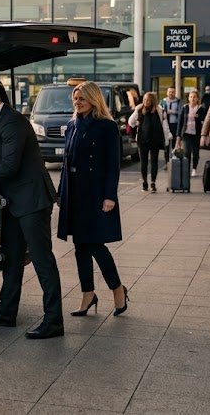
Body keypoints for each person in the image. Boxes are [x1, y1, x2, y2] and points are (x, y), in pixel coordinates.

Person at [0, 81, 63, 340]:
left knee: (42, 261)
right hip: (16, 202)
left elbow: (10, 166)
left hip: (32, 201)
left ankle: (54, 320)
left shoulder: (12, 122)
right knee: (12, 258)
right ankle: (6, 312)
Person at [57, 82, 130, 318]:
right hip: (75, 193)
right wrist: (61, 193)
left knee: (96, 245)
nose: (77, 103)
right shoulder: (71, 125)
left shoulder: (107, 127)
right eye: (75, 99)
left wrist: (110, 196)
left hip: (97, 194)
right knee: (80, 247)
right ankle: (88, 294)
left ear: (94, 100)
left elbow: (113, 165)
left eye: (82, 99)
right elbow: (66, 163)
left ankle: (117, 289)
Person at [129, 92, 172, 192]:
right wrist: (136, 118)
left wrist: (168, 136)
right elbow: (130, 122)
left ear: (152, 101)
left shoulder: (160, 110)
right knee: (143, 163)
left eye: (148, 100)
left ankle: (153, 182)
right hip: (142, 139)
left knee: (154, 161)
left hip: (155, 140)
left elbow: (165, 125)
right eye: (144, 100)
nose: (145, 102)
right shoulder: (139, 109)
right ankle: (145, 182)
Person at [177, 91, 206, 177]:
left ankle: (194, 169)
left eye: (194, 97)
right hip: (186, 133)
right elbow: (180, 122)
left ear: (197, 99)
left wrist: (199, 118)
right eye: (191, 97)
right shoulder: (185, 107)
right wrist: (178, 135)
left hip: (196, 134)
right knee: (187, 152)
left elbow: (204, 121)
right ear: (188, 98)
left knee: (196, 153)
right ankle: (187, 169)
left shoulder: (201, 109)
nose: (192, 99)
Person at [159, 87, 181, 164]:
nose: (171, 93)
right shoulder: (163, 101)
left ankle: (174, 159)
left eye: (172, 92)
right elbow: (160, 111)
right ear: (167, 93)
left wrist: (172, 112)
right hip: (165, 125)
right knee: (166, 143)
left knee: (175, 142)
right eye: (169, 92)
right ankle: (166, 161)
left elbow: (180, 112)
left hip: (175, 124)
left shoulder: (178, 101)